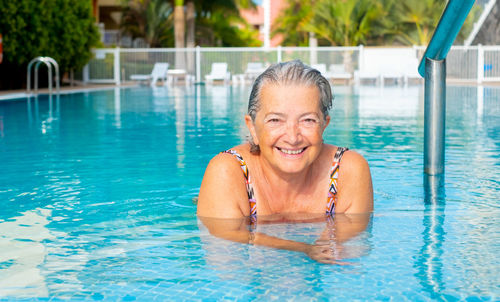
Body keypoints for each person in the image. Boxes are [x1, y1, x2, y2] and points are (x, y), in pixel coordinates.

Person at [197, 60, 373, 263]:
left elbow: (350, 254)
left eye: (308, 120)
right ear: (252, 127)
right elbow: (225, 250)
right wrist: (303, 248)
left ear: (324, 125)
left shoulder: (347, 170)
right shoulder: (228, 171)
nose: (292, 137)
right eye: (275, 120)